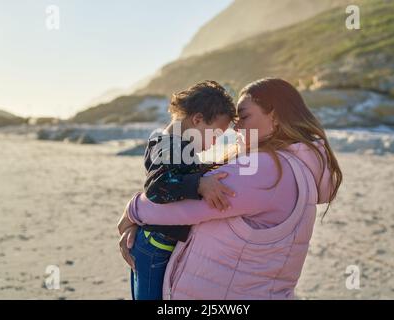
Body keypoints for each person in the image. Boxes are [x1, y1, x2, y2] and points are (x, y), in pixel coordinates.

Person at [119, 78, 343, 299]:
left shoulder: (268, 169)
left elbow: (181, 208)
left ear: (274, 116)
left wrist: (133, 212)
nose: (236, 128)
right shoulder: (291, 165)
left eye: (244, 116)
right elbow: (164, 187)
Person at [121, 80, 237, 300]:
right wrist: (199, 184)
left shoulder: (171, 143)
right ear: (198, 119)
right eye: (216, 134)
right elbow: (157, 187)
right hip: (155, 245)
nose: (216, 142)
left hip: (155, 242)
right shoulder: (172, 145)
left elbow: (178, 173)